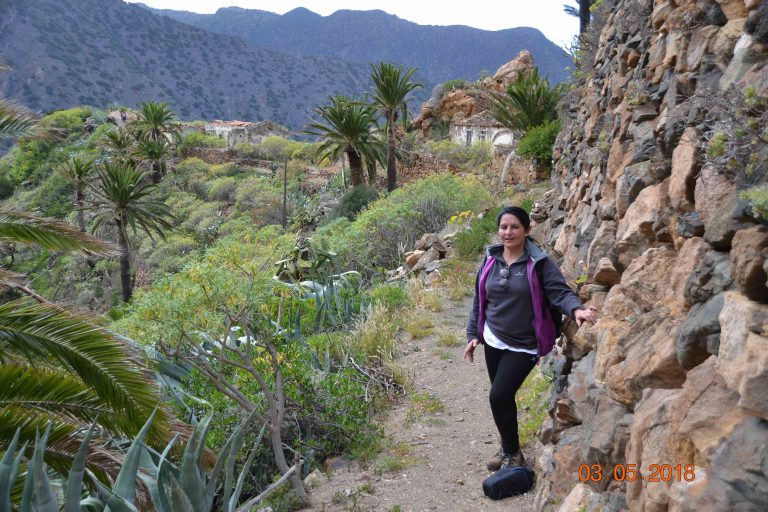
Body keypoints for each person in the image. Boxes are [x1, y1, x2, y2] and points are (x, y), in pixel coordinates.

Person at [464, 206, 596, 471]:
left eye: (514, 227)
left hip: (523, 344)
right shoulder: (491, 259)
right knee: (502, 396)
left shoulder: (538, 263)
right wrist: (473, 334)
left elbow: (559, 292)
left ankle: (514, 454)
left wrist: (576, 309)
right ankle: (508, 447)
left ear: (526, 229)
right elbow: (480, 299)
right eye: (504, 227)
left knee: (498, 395)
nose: (508, 232)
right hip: (493, 339)